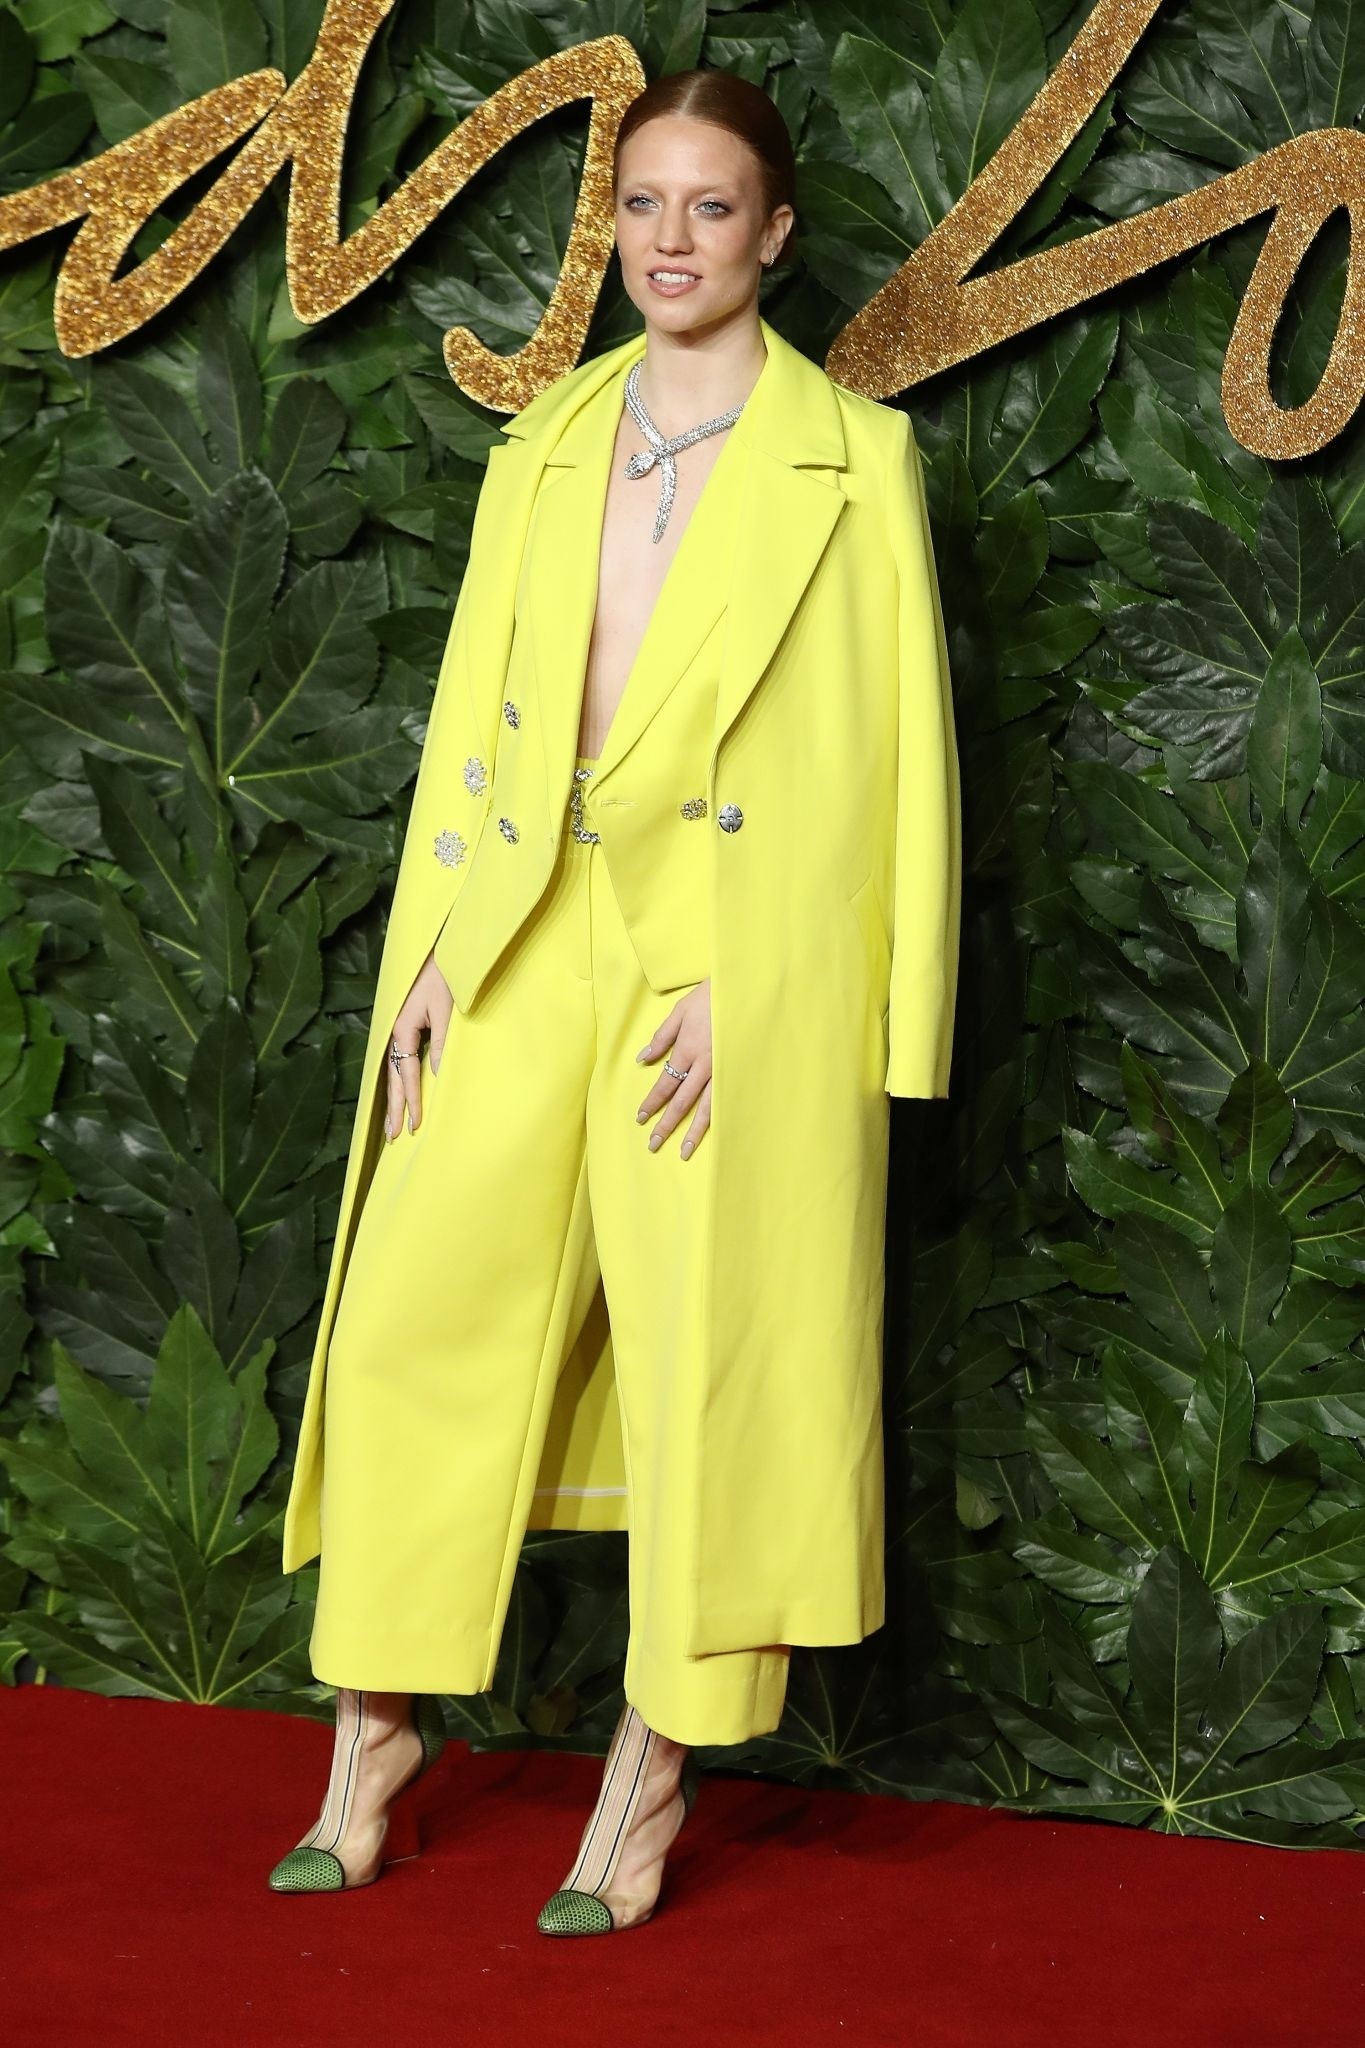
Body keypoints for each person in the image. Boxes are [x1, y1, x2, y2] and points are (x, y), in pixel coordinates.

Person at [268, 65, 962, 1934]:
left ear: (774, 234)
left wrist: (806, 1007)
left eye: (709, 205)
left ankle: (649, 1772)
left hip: (720, 971)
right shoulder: (549, 438)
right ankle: (371, 1734)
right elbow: (470, 723)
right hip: (516, 926)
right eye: (642, 203)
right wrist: (428, 954)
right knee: (415, 1321)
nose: (670, 238)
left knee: (702, 1360)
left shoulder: (855, 461)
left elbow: (896, 764)